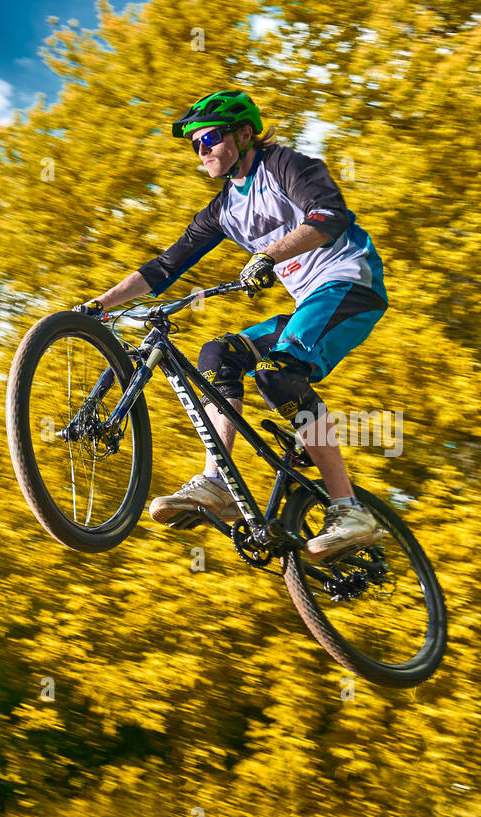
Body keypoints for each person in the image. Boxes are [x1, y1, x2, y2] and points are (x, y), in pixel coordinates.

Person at [75, 90, 389, 562]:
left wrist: (268, 255)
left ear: (244, 134)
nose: (202, 151)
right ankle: (217, 484)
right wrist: (98, 305)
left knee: (279, 373)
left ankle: (349, 509)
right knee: (218, 355)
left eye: (210, 138)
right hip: (309, 303)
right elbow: (165, 267)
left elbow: (329, 218)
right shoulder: (222, 209)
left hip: (349, 282)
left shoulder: (285, 166)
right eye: (196, 144)